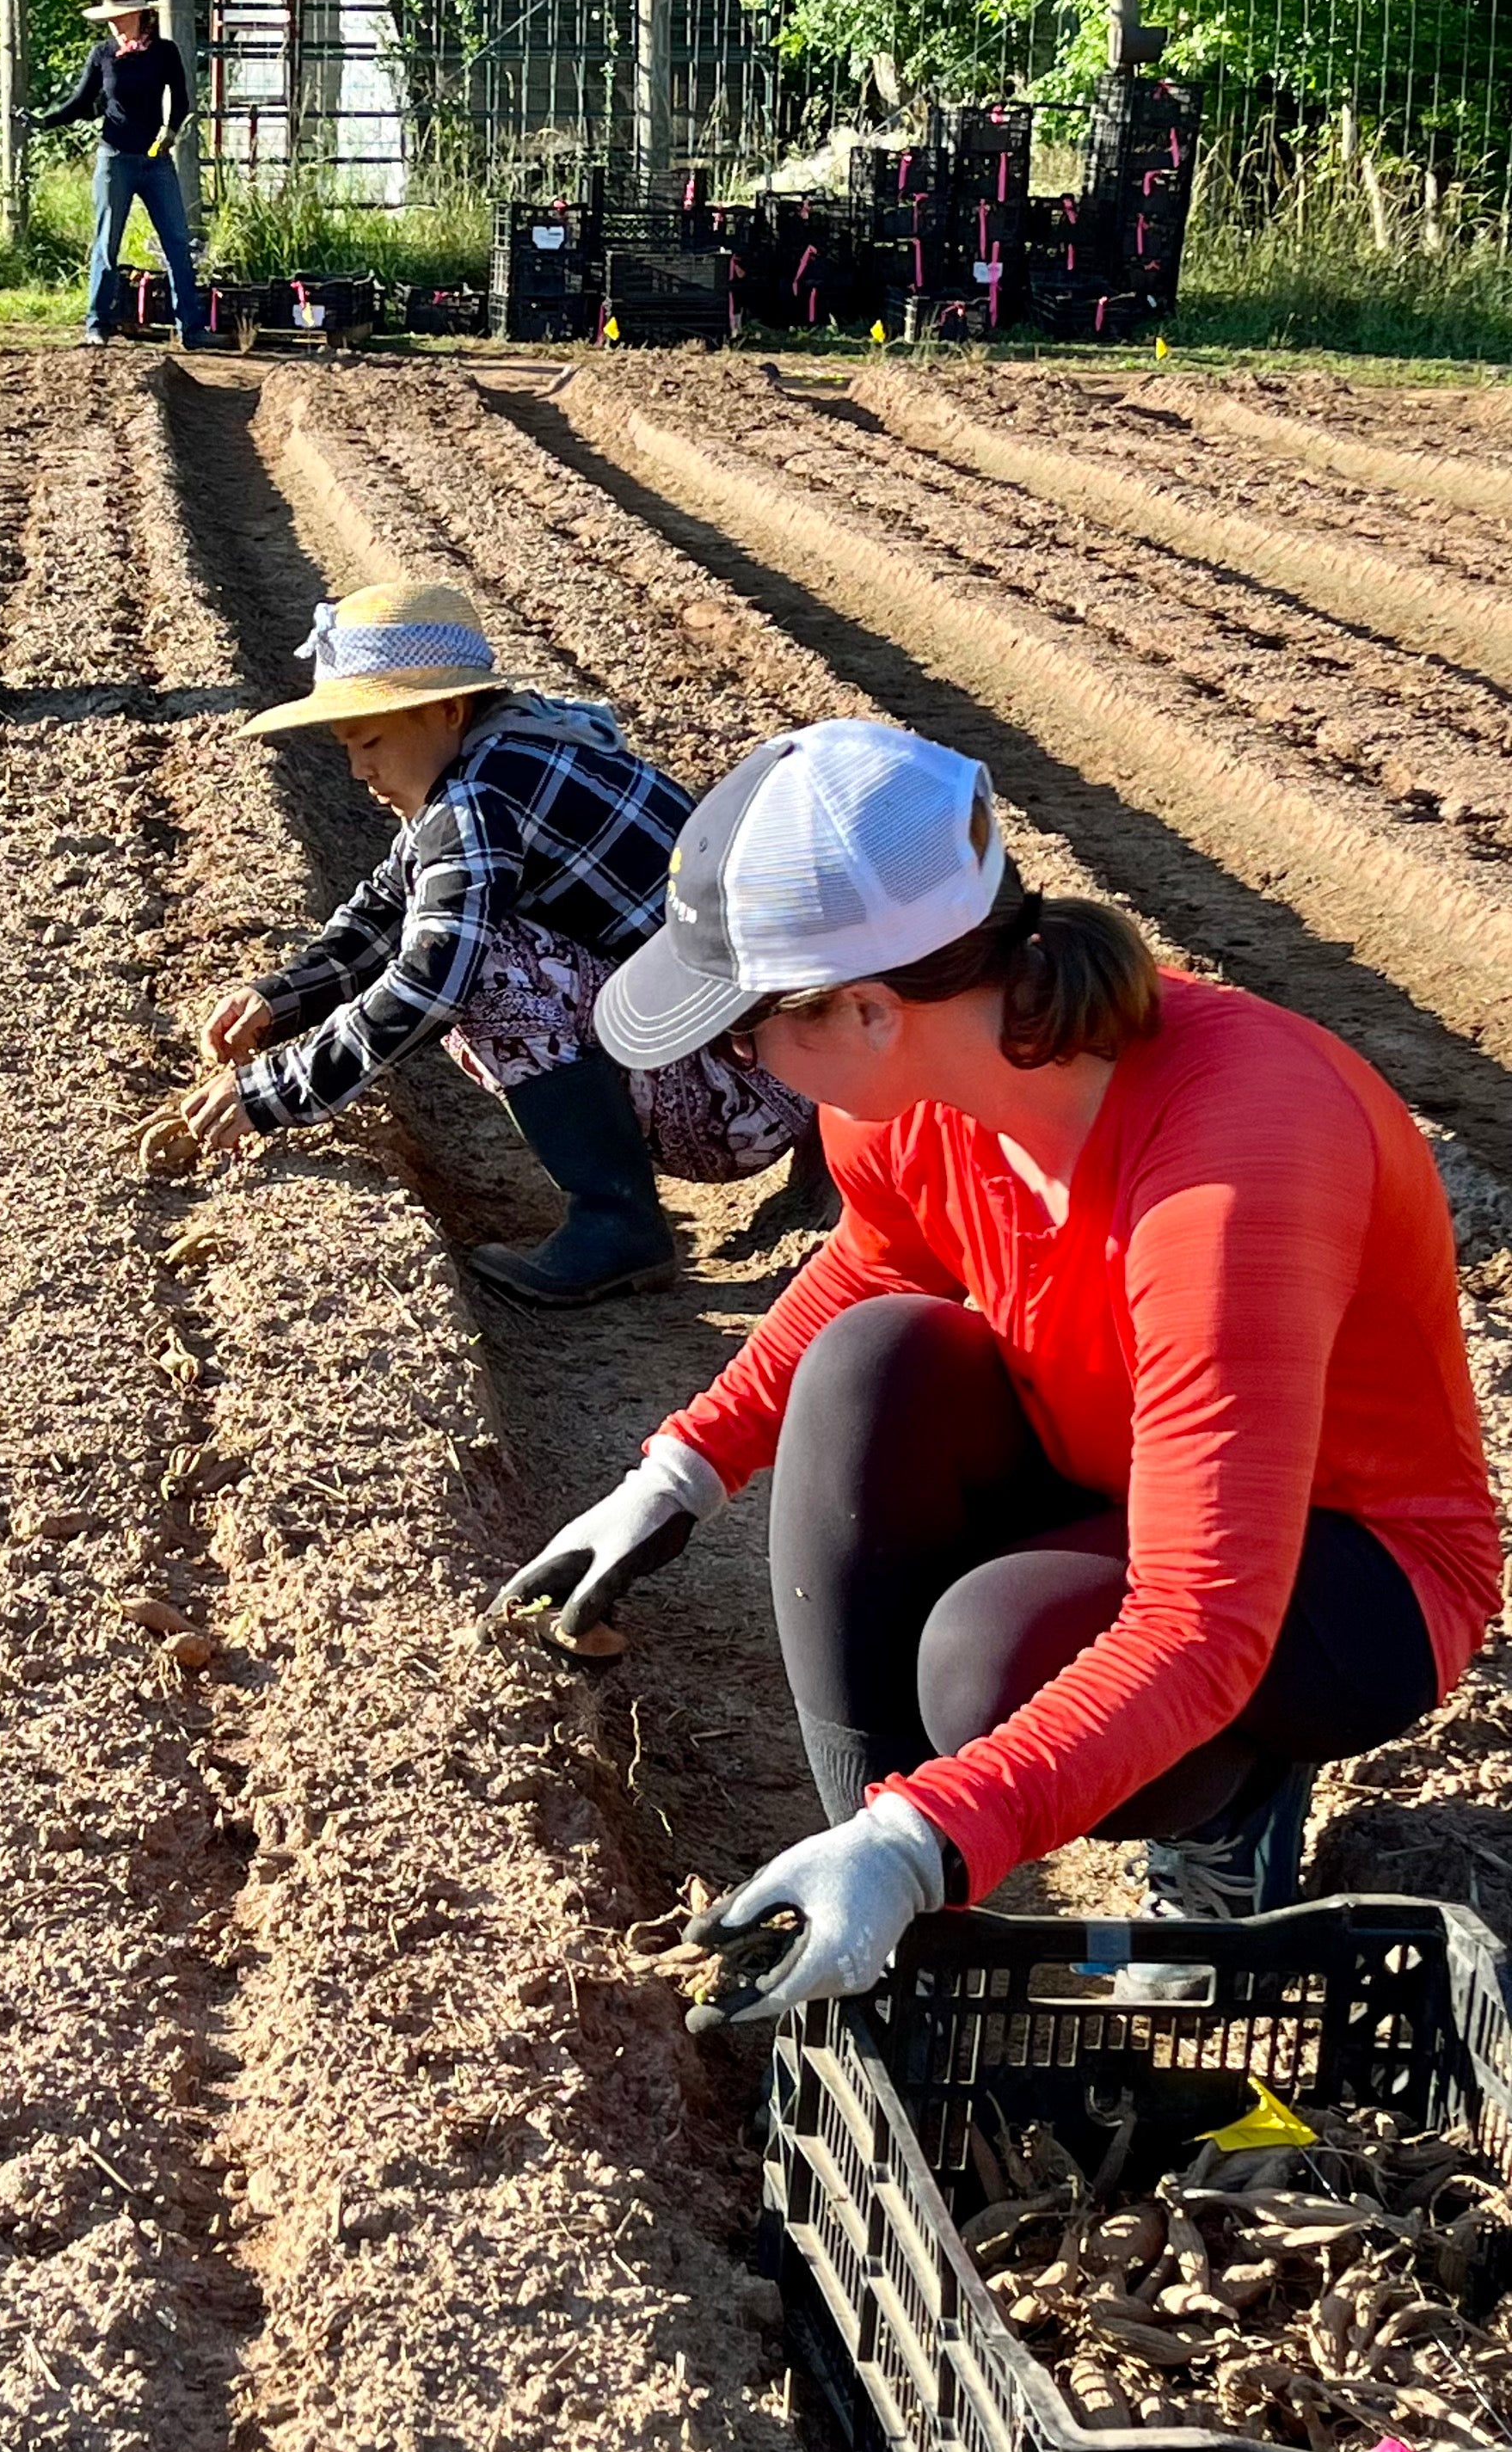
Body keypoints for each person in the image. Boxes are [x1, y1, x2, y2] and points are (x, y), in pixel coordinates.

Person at [494, 719, 1502, 2017]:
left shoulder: (1236, 1161)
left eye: (745, 1032)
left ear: (866, 1009)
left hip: (1342, 1571)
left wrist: (929, 1840)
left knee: (989, 1660)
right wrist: (681, 1471)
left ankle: (1225, 1821)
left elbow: (1203, 1620)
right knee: (871, 1361)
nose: (738, 1062)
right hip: (1111, 1458)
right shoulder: (900, 1099)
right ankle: (882, 1944)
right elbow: (874, 1271)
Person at [181, 581, 816, 1306]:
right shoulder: (518, 750)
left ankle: (617, 1223)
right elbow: (389, 904)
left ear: (447, 710)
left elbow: (431, 977)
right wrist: (276, 1000)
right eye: (348, 748)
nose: (359, 770)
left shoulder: (478, 798)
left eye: (371, 741)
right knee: (464, 938)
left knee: (483, 964)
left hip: (742, 1097)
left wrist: (278, 1091)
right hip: (799, 1065)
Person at [29, 0, 210, 351]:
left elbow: (180, 100)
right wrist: (44, 121)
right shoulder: (103, 56)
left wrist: (170, 134)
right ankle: (97, 323)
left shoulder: (164, 53)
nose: (113, 23)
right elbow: (80, 103)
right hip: (115, 159)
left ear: (139, 14)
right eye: (109, 17)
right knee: (106, 245)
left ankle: (191, 328)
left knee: (177, 242)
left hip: (155, 161)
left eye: (119, 15)